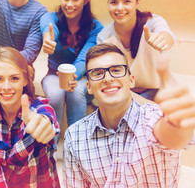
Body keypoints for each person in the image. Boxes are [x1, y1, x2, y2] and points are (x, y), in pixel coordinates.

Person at [63, 43, 195, 187]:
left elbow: (172, 136)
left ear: (131, 80)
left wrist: (178, 124)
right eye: (97, 73)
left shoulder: (153, 118)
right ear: (89, 87)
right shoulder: (74, 136)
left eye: (116, 70)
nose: (107, 78)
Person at [0, 47, 60, 188]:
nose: (6, 86)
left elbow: (47, 118)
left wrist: (44, 123)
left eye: (14, 78)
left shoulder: (39, 108)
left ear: (26, 80)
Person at [97, 0, 175, 100]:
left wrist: (162, 40)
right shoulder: (104, 37)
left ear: (137, 2)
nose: (120, 8)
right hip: (123, 93)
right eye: (114, 2)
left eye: (127, 1)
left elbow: (165, 35)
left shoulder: (152, 22)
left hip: (155, 91)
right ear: (108, 4)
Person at [40, 0, 104, 127]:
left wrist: (72, 76)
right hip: (53, 76)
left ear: (86, 0)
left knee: (75, 92)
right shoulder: (51, 18)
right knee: (56, 94)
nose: (69, 4)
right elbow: (49, 28)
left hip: (82, 78)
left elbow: (84, 58)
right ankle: (51, 144)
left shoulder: (96, 28)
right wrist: (48, 38)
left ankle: (76, 143)